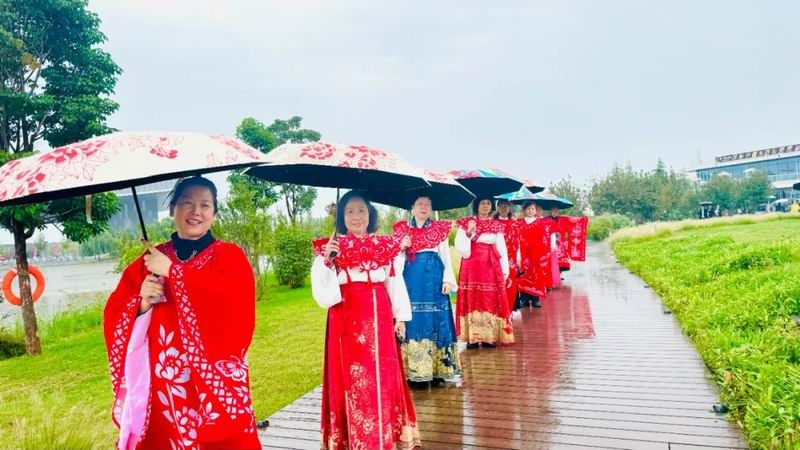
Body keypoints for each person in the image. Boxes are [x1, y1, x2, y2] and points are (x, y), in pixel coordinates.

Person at [104, 177, 260, 450]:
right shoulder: (149, 261)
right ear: (173, 209)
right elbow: (114, 312)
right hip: (164, 381)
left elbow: (235, 305)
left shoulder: (229, 256)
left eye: (205, 205)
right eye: (187, 203)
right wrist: (141, 304)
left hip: (213, 381)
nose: (195, 212)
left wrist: (173, 272)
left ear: (214, 213)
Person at [311, 190, 420, 450]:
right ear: (341, 217)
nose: (356, 217)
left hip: (380, 316)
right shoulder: (330, 248)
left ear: (370, 214)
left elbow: (394, 281)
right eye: (349, 211)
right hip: (345, 318)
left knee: (381, 376)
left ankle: (381, 438)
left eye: (361, 210)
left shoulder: (384, 246)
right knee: (351, 379)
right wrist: (327, 260)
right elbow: (322, 293)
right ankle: (354, 438)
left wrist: (401, 317)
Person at [394, 195, 460, 386]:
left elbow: (446, 256)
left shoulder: (438, 229)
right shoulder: (402, 231)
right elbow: (396, 263)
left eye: (428, 204)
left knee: (437, 321)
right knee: (414, 321)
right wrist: (401, 247)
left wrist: (448, 279)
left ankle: (438, 369)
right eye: (420, 204)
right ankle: (416, 370)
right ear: (412, 207)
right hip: (411, 281)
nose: (424, 207)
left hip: (434, 280)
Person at [455, 197, 514, 349]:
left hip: (490, 265)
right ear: (476, 205)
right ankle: (472, 337)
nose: (485, 206)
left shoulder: (496, 225)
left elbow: (501, 247)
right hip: (471, 265)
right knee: (472, 297)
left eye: (488, 203)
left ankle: (489, 337)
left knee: (489, 297)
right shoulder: (467, 223)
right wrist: (469, 231)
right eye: (482, 203)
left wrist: (504, 269)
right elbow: (460, 247)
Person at [517, 202, 549, 308]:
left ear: (536, 211)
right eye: (528, 209)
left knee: (536, 275)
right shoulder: (519, 223)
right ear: (524, 210)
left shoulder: (540, 223)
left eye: (532, 209)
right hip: (523, 253)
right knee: (523, 275)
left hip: (536, 253)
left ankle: (535, 299)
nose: (530, 211)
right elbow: (516, 238)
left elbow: (544, 238)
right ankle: (524, 299)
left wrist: (543, 253)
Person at [494, 199, 521, 313]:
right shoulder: (493, 223)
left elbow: (518, 241)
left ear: (509, 208)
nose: (504, 209)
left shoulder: (514, 224)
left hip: (512, 259)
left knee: (511, 285)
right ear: (497, 208)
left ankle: (509, 311)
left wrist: (519, 257)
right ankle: (499, 311)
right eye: (501, 206)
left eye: (506, 206)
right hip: (497, 258)